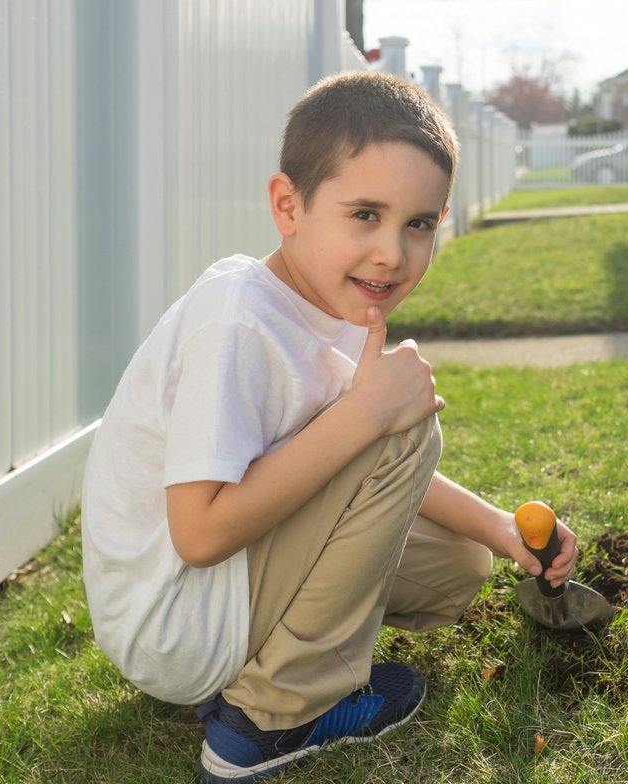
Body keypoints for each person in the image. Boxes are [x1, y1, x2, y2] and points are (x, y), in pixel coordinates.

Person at [80, 70, 580, 783]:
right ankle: (268, 718)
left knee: (459, 567)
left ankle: (287, 658)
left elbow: (358, 463)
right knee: (401, 420)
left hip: (222, 595)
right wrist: (369, 413)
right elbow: (198, 535)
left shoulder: (333, 310)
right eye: (365, 214)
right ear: (288, 204)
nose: (393, 253)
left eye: (419, 224)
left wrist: (500, 528)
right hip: (177, 618)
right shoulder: (238, 319)